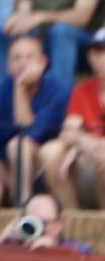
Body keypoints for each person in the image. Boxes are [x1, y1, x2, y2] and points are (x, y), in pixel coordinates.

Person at [0, 35, 70, 207]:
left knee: (19, 146)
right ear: (8, 65)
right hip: (7, 170)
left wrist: (19, 89)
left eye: (29, 57)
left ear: (43, 62)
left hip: (47, 167)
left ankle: (25, 207)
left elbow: (30, 132)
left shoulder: (58, 92)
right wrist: (10, 181)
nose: (23, 63)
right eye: (16, 58)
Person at [39, 27, 105, 208]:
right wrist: (82, 141)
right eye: (97, 53)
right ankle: (72, 216)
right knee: (50, 151)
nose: (101, 59)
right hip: (89, 162)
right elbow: (68, 132)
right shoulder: (83, 90)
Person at [0, 191, 93, 250]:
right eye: (32, 221)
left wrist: (55, 250)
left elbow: (83, 254)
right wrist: (1, 243)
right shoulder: (13, 244)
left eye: (44, 223)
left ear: (58, 225)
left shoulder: (76, 248)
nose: (38, 228)